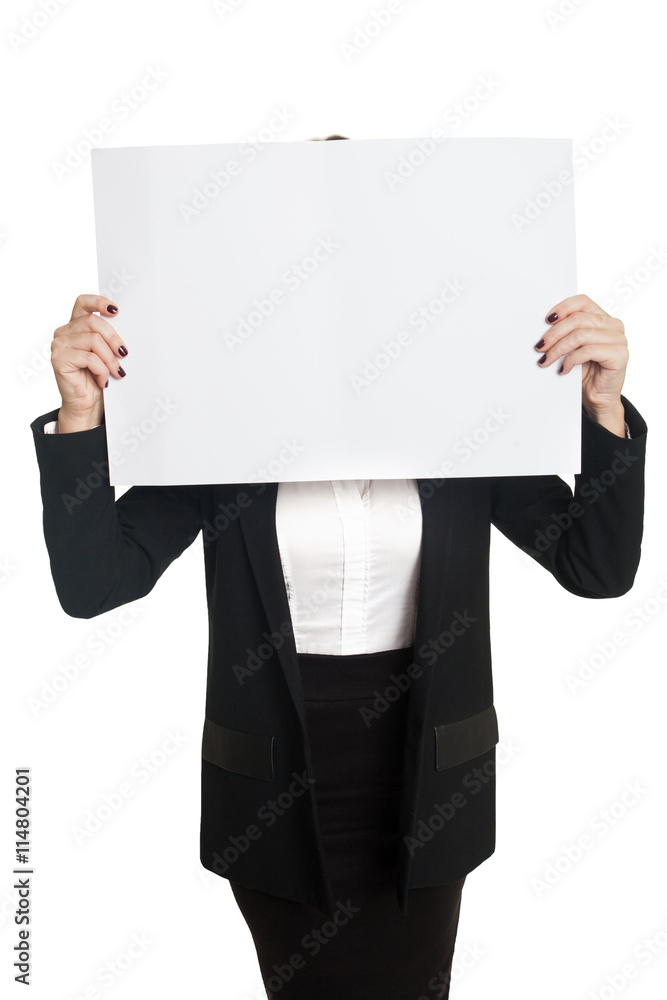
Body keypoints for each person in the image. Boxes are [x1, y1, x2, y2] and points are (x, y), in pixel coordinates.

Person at [29, 135, 648, 999]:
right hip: (274, 780)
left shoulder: (468, 419)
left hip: (426, 771)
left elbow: (597, 566)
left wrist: (602, 405)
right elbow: (95, 583)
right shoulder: (217, 428)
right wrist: (80, 415)